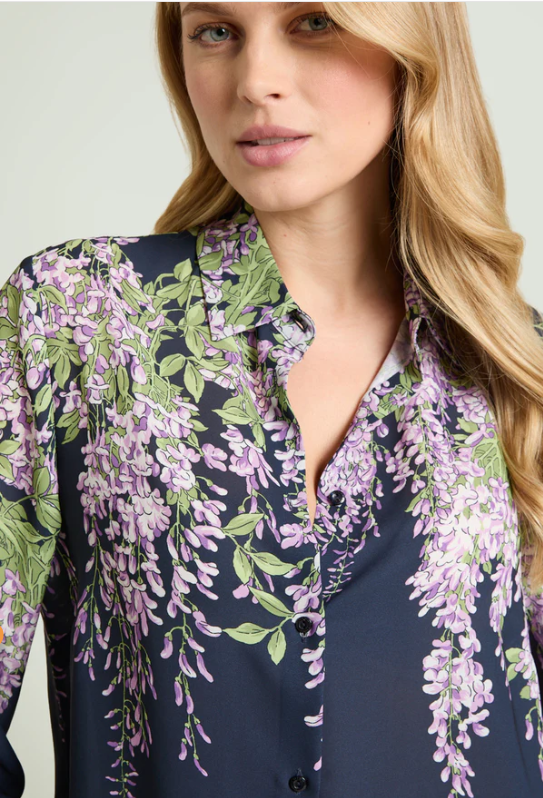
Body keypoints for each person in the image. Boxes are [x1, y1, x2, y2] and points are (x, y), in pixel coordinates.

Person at [1, 2, 543, 796]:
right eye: (215, 32)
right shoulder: (78, 317)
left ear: (411, 48)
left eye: (313, 22)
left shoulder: (516, 365)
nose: (255, 81)